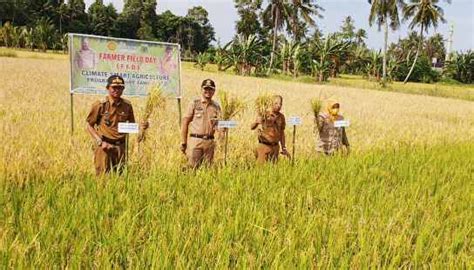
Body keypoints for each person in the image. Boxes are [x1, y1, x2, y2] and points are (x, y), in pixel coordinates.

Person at [86, 75, 148, 175]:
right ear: (107, 88)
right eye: (114, 87)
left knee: (120, 177)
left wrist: (142, 127)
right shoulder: (100, 105)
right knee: (102, 179)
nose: (117, 90)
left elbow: (131, 126)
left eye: (120, 88)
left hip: (121, 147)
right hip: (104, 147)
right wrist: (100, 142)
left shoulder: (127, 105)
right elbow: (89, 125)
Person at [181, 79, 222, 169]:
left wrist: (222, 130)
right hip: (195, 141)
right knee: (192, 168)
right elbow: (185, 122)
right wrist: (184, 142)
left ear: (214, 91)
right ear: (201, 89)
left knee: (207, 170)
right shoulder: (195, 104)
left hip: (209, 143)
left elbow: (217, 125)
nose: (208, 91)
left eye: (210, 89)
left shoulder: (216, 106)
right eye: (205, 89)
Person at [251, 95, 289, 164]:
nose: (279, 106)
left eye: (280, 104)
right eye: (276, 103)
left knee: (273, 171)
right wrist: (256, 122)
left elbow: (282, 133)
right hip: (264, 146)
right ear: (271, 103)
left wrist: (283, 147)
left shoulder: (281, 117)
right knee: (260, 170)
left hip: (275, 147)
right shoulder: (264, 114)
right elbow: (252, 127)